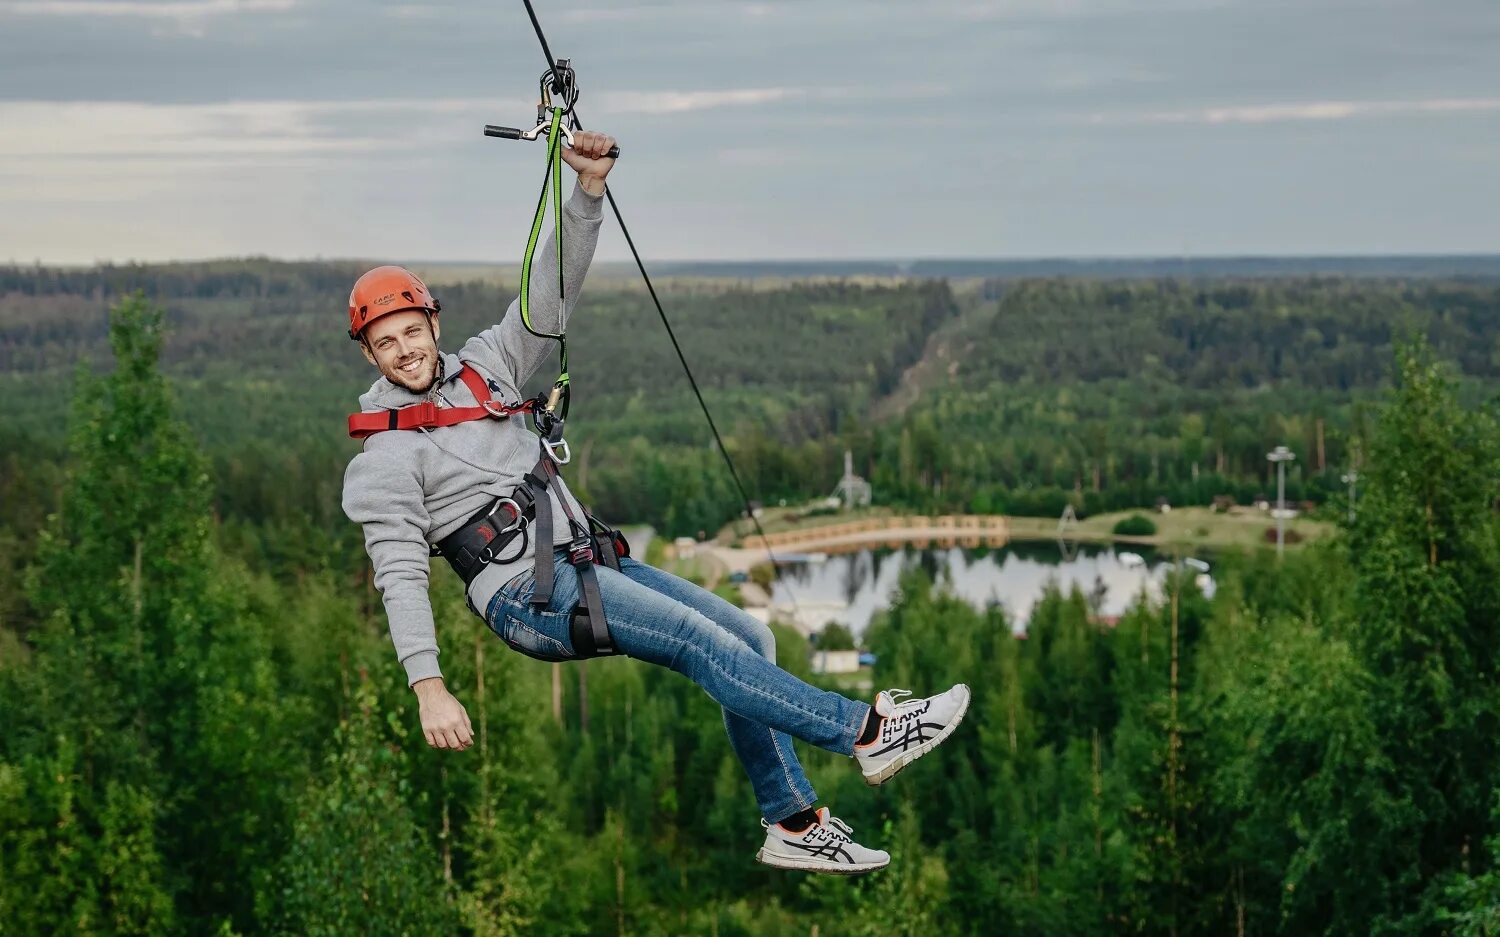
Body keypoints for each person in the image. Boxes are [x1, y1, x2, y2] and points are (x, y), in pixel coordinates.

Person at [341, 130, 969, 874]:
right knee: (701, 647)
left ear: (433, 325)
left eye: (412, 330)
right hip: (524, 594)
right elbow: (399, 576)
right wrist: (429, 687)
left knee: (748, 637)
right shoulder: (382, 461)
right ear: (370, 354)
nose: (406, 349)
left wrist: (587, 193)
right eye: (388, 343)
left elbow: (552, 293)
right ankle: (869, 731)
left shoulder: (488, 365)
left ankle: (793, 821)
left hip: (581, 559)